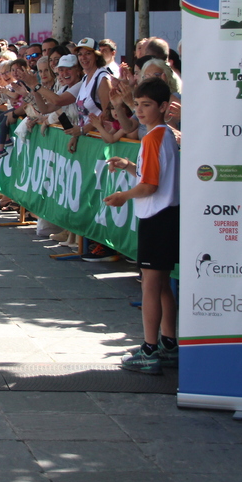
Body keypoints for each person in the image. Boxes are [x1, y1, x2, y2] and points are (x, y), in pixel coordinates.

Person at [103, 76, 180, 374]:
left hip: (157, 217)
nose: (140, 110)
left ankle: (149, 348)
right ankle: (168, 342)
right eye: (137, 104)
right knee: (161, 285)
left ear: (163, 106)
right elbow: (151, 176)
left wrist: (123, 195)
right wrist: (129, 166)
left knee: (150, 285)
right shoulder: (164, 135)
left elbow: (149, 185)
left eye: (146, 105)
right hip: (164, 215)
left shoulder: (155, 137)